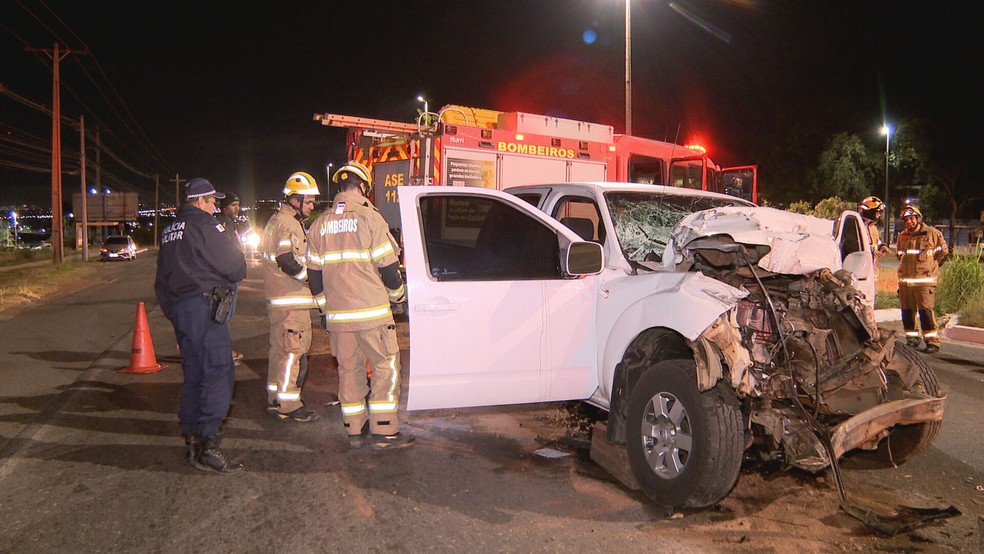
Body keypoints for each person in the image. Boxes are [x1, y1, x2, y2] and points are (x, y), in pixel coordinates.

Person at [306, 161, 414, 450]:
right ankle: (384, 431)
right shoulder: (370, 218)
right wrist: (399, 297)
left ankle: (355, 431)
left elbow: (314, 276)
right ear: (363, 187)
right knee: (385, 367)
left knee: (349, 370)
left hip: (340, 319)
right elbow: (389, 269)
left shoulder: (319, 225)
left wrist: (325, 310)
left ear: (340, 188)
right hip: (373, 315)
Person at [155, 178, 246, 474]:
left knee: (193, 375)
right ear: (201, 201)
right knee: (218, 373)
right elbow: (235, 265)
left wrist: (176, 314)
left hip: (181, 312)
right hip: (204, 310)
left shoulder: (169, 231)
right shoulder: (205, 226)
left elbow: (161, 283)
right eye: (212, 201)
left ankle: (192, 441)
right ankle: (209, 446)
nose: (214, 207)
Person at [259, 172, 321, 422]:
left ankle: (275, 399)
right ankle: (289, 404)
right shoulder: (288, 224)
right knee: (294, 353)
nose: (312, 205)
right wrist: (312, 279)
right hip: (291, 303)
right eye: (309, 201)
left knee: (280, 352)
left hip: (279, 302)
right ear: (295, 200)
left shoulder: (276, 220)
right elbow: (287, 260)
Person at [896, 204, 948, 354]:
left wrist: (931, 267)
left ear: (918, 219)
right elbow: (900, 256)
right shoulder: (902, 237)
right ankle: (912, 338)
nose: (909, 222)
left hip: (924, 282)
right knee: (907, 312)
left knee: (925, 312)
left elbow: (942, 254)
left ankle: (932, 341)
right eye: (906, 220)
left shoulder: (933, 234)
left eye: (911, 219)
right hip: (906, 283)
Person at [215, 192, 248, 365]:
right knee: (222, 315)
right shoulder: (221, 224)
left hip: (230, 275)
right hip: (225, 277)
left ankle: (222, 350)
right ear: (224, 207)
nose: (237, 208)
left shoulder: (230, 224)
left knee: (224, 315)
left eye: (238, 204)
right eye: (233, 205)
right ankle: (224, 352)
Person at [859, 195, 891, 263]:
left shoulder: (873, 228)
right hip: (860, 265)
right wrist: (872, 250)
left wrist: (881, 246)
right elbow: (857, 247)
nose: (879, 215)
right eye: (878, 213)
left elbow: (876, 243)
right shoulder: (857, 227)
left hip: (872, 266)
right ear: (870, 212)